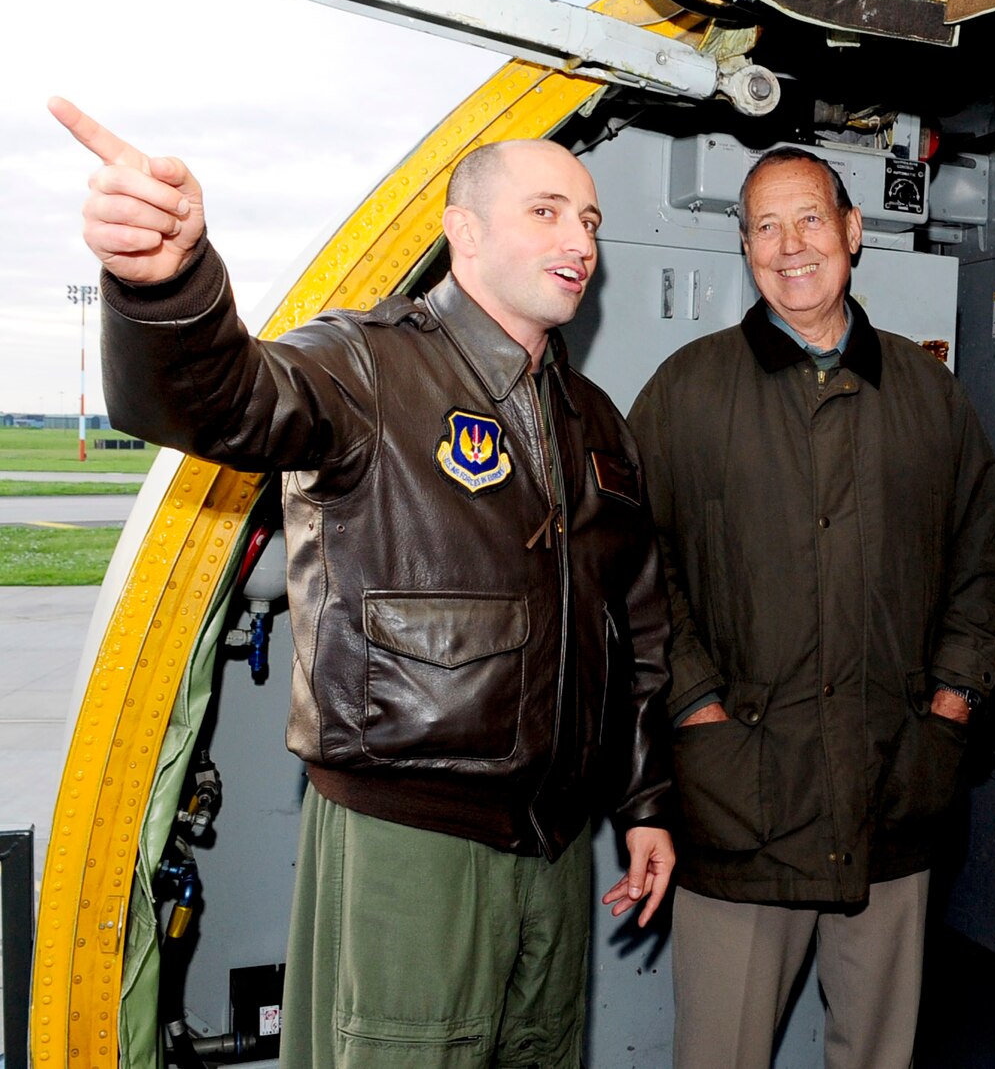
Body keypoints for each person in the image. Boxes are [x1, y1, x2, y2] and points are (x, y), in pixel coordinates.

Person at [52, 97, 678, 1069]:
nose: (580, 241)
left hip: (556, 846)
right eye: (547, 211)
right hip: (412, 837)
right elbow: (225, 399)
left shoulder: (594, 419)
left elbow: (631, 628)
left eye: (589, 219)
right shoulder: (366, 362)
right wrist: (168, 286)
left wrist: (644, 805)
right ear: (464, 230)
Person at [626, 146, 995, 1069]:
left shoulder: (931, 397)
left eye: (809, 219)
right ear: (745, 248)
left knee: (878, 1055)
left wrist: (949, 711)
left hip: (893, 792)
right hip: (740, 800)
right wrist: (697, 708)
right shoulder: (686, 392)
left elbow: (981, 576)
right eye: (765, 226)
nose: (789, 245)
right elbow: (636, 577)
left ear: (853, 231)